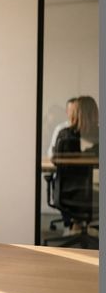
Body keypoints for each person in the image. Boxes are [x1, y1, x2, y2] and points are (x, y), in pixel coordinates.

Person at [52, 95, 99, 235]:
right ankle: (85, 226)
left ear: (74, 113)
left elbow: (55, 160)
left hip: (67, 194)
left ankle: (76, 225)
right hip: (95, 194)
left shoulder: (64, 135)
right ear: (95, 113)